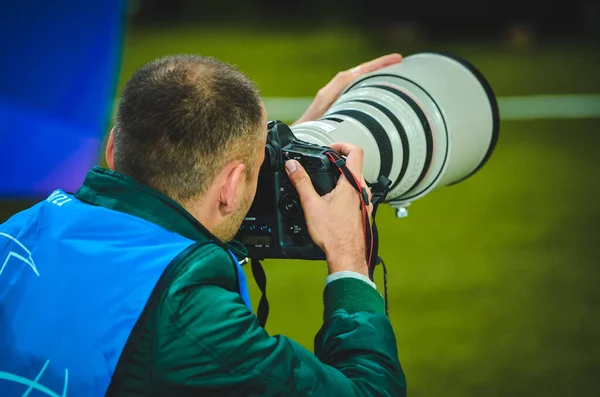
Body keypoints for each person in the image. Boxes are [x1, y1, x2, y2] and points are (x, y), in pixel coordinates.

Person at [0, 53, 406, 396]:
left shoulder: (20, 229)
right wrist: (349, 260)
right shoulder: (196, 321)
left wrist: (273, 156)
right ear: (230, 185)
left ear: (112, 147)